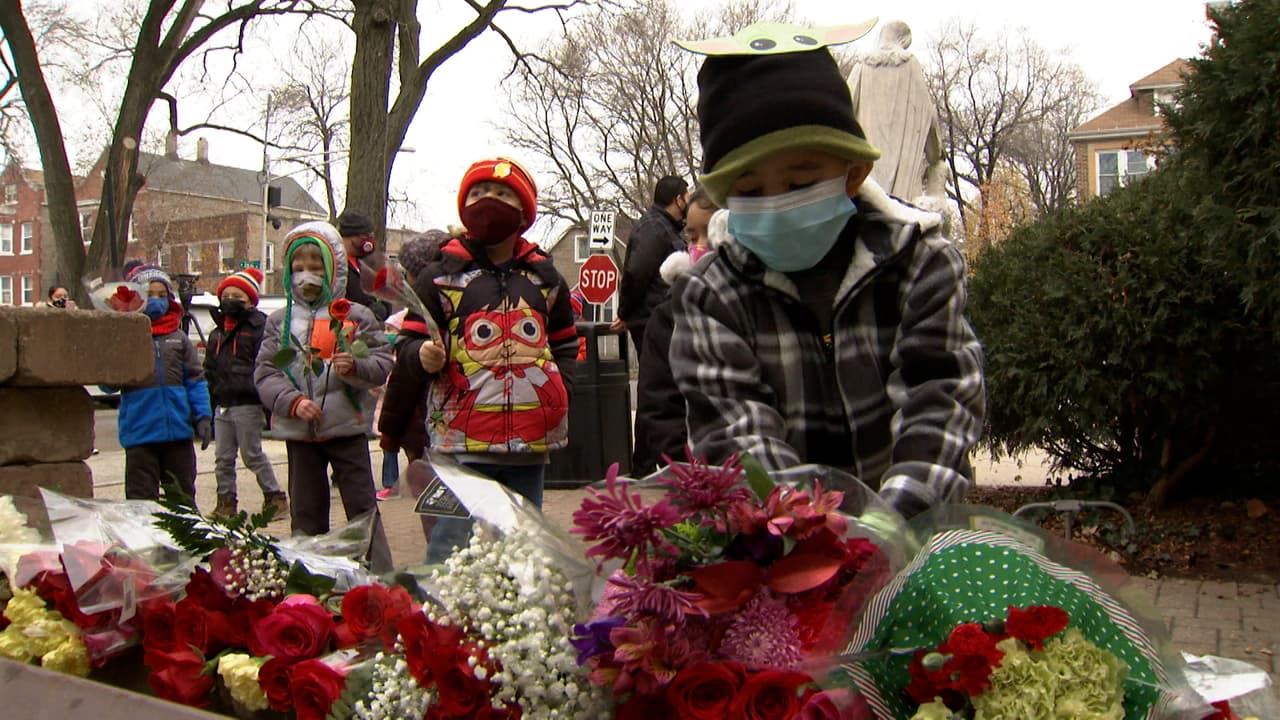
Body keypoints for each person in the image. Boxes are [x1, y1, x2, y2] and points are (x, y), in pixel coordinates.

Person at [669, 27, 986, 519]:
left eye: (800, 181)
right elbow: (736, 433)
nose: (776, 204)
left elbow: (940, 398)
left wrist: (894, 525)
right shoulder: (710, 295)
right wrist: (805, 535)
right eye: (750, 192)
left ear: (854, 172)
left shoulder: (919, 264)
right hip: (781, 553)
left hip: (911, 536)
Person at [390, 158, 577, 563]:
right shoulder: (440, 276)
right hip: (458, 444)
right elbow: (405, 344)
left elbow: (565, 344)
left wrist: (562, 390)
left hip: (529, 442)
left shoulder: (545, 278)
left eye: (501, 194)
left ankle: (517, 620)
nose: (488, 201)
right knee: (450, 548)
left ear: (524, 211)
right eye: (477, 193)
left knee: (524, 547)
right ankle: (443, 622)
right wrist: (419, 356)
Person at [254, 221, 395, 572]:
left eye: (316, 268)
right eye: (298, 269)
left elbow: (380, 362)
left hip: (347, 429)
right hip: (300, 435)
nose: (307, 276)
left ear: (333, 269)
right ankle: (308, 577)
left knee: (362, 508)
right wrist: (292, 401)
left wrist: (356, 367)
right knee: (306, 512)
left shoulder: (355, 316)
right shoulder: (278, 322)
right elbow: (266, 372)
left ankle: (378, 576)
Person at [631, 187, 719, 475]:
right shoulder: (670, 314)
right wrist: (685, 464)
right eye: (693, 237)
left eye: (713, 231)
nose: (702, 245)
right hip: (698, 474)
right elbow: (657, 404)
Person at [114, 262, 213, 502]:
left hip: (177, 434)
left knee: (182, 498)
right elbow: (109, 383)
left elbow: (195, 380)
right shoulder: (128, 338)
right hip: (140, 435)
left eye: (162, 295)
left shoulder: (178, 339)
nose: (156, 300)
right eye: (149, 295)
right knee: (141, 502)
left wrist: (202, 416)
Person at [375, 230, 449, 546]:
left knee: (439, 520)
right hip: (437, 430)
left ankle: (443, 562)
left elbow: (404, 380)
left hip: (429, 427)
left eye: (407, 275)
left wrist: (390, 433)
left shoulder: (423, 311)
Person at [204, 267, 288, 518]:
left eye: (238, 297)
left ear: (251, 301)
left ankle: (275, 497)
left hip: (247, 402)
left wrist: (262, 397)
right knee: (223, 459)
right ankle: (226, 503)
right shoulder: (216, 333)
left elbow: (265, 364)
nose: (230, 301)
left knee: (251, 454)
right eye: (226, 296)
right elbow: (209, 368)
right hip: (223, 402)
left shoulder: (257, 328)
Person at [847, 20, 945, 203]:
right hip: (903, 184)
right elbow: (928, 115)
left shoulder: (862, 65)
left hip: (865, 174)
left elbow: (844, 107)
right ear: (903, 39)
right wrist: (935, 153)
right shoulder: (910, 64)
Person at [611, 175, 689, 355]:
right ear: (678, 200)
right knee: (658, 380)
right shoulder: (653, 228)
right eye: (688, 197)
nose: (690, 202)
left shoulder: (667, 228)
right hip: (653, 323)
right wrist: (624, 313)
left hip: (664, 320)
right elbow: (636, 273)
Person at [335, 208, 390, 321]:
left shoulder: (368, 264)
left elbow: (385, 295)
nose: (370, 240)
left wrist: (383, 307)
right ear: (351, 236)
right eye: (365, 236)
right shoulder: (336, 265)